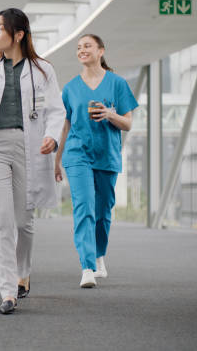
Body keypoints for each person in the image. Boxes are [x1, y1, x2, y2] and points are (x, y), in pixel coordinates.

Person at [0, 8, 65, 314]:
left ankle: (23, 272)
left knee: (23, 220)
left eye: (1, 29)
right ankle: (8, 291)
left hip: (29, 146)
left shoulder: (43, 70)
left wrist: (52, 137)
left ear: (18, 35)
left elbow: (56, 110)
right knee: (1, 219)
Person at [54, 34, 138, 288]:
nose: (82, 50)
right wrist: (56, 160)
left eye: (87, 46)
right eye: (79, 47)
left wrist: (110, 114)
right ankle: (87, 267)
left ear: (101, 51)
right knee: (84, 207)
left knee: (102, 213)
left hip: (107, 155)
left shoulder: (117, 84)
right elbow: (65, 126)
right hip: (77, 155)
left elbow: (128, 123)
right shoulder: (70, 88)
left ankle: (99, 255)